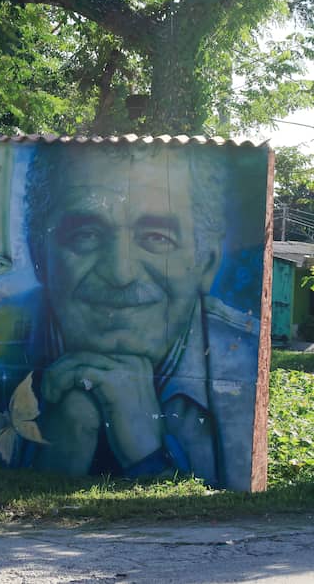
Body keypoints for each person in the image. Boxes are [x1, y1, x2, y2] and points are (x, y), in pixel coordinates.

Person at [21, 142, 261, 491]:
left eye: (157, 238)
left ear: (206, 263)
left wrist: (149, 457)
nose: (121, 273)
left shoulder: (246, 364)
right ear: (38, 256)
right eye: (86, 235)